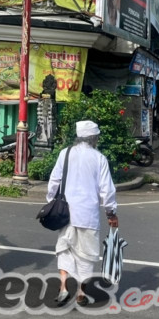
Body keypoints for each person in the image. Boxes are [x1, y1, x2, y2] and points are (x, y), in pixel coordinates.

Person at [47, 120, 118, 306]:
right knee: (87, 254)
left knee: (65, 249)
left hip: (66, 213)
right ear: (94, 138)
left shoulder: (65, 153)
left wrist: (50, 202)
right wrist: (111, 212)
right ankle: (80, 292)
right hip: (88, 215)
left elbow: (54, 180)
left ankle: (63, 287)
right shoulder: (99, 158)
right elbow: (107, 190)